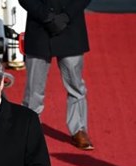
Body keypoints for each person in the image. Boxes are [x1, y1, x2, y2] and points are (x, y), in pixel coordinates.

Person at [19, 0, 93, 150]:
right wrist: (46, 16)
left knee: (76, 86)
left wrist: (66, 16)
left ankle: (79, 129)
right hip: (39, 28)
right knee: (33, 87)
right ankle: (30, 129)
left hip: (71, 28)